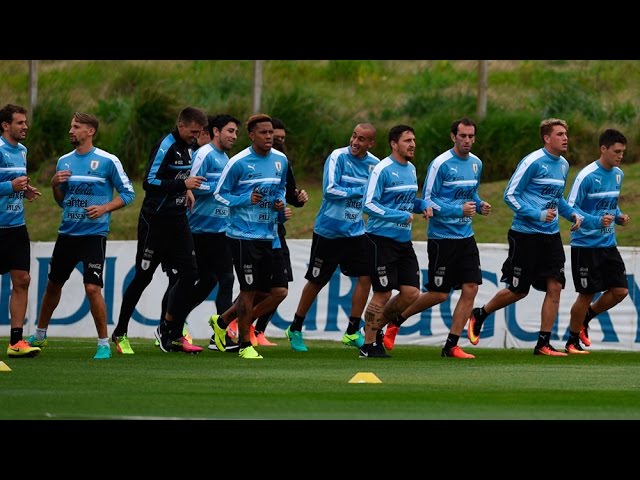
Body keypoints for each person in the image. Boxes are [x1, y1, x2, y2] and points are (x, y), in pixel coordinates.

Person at [468, 118, 583, 356]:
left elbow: (557, 198)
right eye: (560, 134)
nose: (565, 138)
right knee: (519, 290)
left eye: (566, 134)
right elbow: (510, 195)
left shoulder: (563, 165)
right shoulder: (532, 161)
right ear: (546, 138)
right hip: (525, 234)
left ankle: (543, 344)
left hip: (550, 236)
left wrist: (572, 214)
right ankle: (481, 313)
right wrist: (537, 215)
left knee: (555, 286)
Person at [26, 112, 135, 359]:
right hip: (67, 233)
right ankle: (40, 335)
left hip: (94, 235)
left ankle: (103, 344)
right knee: (53, 285)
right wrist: (54, 185)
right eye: (70, 126)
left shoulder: (108, 161)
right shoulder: (64, 161)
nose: (71, 131)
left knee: (92, 288)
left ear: (90, 131)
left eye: (76, 127)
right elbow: (62, 203)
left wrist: (104, 208)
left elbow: (129, 194)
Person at [383, 118, 491, 358]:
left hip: (466, 236)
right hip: (442, 238)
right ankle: (396, 321)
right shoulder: (440, 164)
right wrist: (457, 210)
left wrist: (480, 204)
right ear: (453, 137)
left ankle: (451, 345)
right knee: (439, 294)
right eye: (463, 136)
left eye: (471, 136)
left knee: (471, 287)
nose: (467, 141)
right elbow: (428, 201)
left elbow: (471, 192)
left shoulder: (476, 163)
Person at [110, 106, 207, 354]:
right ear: (181, 125)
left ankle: (170, 332)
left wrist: (185, 190)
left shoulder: (188, 146)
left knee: (188, 275)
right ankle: (120, 332)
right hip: (155, 222)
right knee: (143, 277)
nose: (195, 136)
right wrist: (182, 184)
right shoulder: (165, 145)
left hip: (178, 221)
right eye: (192, 131)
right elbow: (148, 182)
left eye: (198, 133)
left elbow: (177, 177)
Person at [283, 123, 379, 352]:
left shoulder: (374, 165)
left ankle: (352, 330)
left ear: (370, 143)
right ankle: (295, 328)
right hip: (328, 231)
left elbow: (375, 197)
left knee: (366, 278)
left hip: (356, 231)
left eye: (362, 139)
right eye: (354, 136)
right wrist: (361, 191)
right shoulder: (338, 157)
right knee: (317, 281)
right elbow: (330, 190)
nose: (355, 142)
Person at [209, 113, 287, 359]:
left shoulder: (281, 161)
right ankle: (244, 345)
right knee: (248, 289)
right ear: (252, 135)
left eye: (271, 132)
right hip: (242, 235)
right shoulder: (239, 162)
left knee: (272, 291)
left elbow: (281, 188)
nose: (269, 137)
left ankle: (222, 323)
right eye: (263, 133)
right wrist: (245, 199)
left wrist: (280, 203)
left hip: (269, 234)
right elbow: (219, 194)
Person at [360, 124, 429, 357]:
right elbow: (368, 204)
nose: (413, 145)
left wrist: (423, 206)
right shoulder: (382, 169)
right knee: (383, 292)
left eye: (413, 140)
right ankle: (368, 346)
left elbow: (408, 201)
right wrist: (398, 215)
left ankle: (374, 329)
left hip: (403, 241)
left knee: (411, 293)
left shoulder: (410, 169)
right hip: (380, 240)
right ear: (393, 144)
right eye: (407, 140)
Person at [564, 129, 630, 353]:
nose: (620, 156)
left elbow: (609, 203)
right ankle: (572, 341)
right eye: (616, 151)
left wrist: (618, 217)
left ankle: (586, 318)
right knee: (587, 293)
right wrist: (595, 222)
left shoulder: (618, 174)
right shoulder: (587, 176)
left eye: (622, 152)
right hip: (585, 245)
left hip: (608, 244)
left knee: (620, 291)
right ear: (603, 149)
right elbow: (571, 208)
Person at [251, 117, 308, 346]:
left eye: (282, 138)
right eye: (275, 137)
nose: (278, 141)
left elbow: (288, 193)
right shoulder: (250, 162)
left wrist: (299, 199)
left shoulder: (282, 162)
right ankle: (234, 322)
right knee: (256, 287)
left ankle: (257, 330)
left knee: (279, 287)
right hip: (253, 232)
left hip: (276, 232)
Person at [186, 114, 240, 351]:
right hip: (198, 229)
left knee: (221, 278)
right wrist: (219, 188)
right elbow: (192, 184)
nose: (234, 136)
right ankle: (171, 324)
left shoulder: (225, 158)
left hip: (220, 229)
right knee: (199, 280)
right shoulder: (205, 154)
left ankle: (220, 334)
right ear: (216, 131)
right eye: (230, 131)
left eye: (236, 132)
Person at [0, 104, 42, 358]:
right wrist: (10, 186)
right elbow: (7, 184)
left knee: (23, 280)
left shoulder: (23, 151)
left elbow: (14, 182)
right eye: (20, 122)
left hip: (17, 226)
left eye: (25, 122)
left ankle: (16, 341)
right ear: (5, 125)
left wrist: (23, 190)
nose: (25, 126)